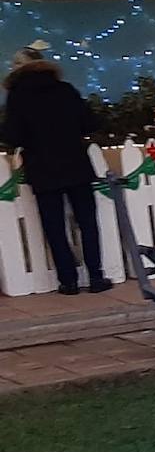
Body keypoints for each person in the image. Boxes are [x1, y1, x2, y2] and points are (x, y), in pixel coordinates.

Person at [1, 42, 111, 294]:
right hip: (76, 164)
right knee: (87, 221)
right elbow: (89, 122)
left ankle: (68, 281)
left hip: (43, 168)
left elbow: (13, 135)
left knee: (54, 226)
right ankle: (96, 276)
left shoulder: (17, 96)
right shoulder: (65, 89)